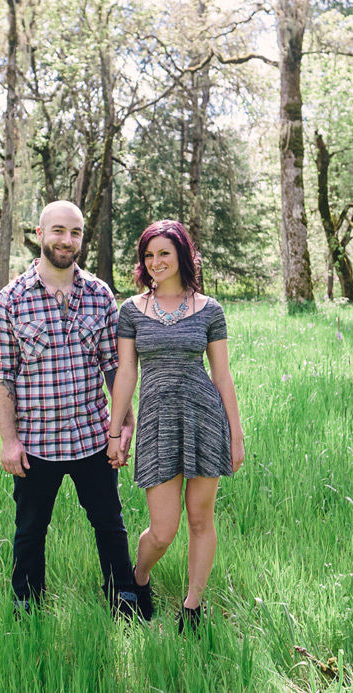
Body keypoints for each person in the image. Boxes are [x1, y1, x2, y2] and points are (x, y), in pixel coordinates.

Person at [0, 200, 142, 617]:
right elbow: (1, 374)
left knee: (110, 523)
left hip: (93, 435)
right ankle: (26, 606)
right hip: (37, 441)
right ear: (40, 235)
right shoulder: (11, 299)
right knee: (31, 529)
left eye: (74, 232)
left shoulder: (99, 294)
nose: (66, 240)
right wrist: (9, 441)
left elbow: (115, 366)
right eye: (58, 230)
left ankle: (123, 598)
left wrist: (125, 425)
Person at [106, 219, 245, 632]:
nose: (155, 262)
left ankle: (192, 606)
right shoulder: (130, 310)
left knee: (201, 520)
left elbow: (222, 375)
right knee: (163, 530)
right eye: (148, 256)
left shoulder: (210, 309)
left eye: (163, 253)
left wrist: (236, 434)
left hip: (204, 419)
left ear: (182, 255)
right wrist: (115, 432)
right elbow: (126, 373)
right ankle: (140, 579)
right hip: (156, 421)